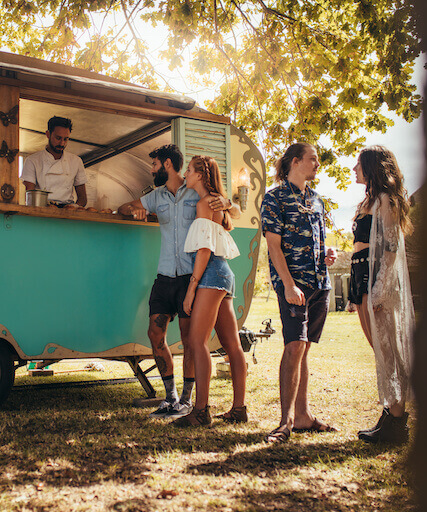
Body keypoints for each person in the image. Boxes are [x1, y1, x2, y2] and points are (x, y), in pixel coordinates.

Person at [118, 145, 238, 419]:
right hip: (164, 276)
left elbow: (224, 204)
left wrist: (231, 203)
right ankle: (170, 397)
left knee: (189, 340)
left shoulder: (195, 191)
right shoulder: (155, 196)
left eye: (155, 164)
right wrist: (132, 211)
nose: (151, 170)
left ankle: (186, 399)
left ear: (167, 164)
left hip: (190, 276)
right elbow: (125, 206)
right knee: (155, 334)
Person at [261, 142, 337, 443]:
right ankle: (285, 422)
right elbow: (273, 245)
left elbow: (318, 239)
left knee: (304, 347)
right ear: (295, 162)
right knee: (293, 346)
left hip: (320, 283)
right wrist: (289, 284)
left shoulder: (317, 200)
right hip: (294, 284)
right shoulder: (274, 197)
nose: (317, 164)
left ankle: (304, 416)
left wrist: (327, 254)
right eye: (312, 159)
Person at [171, 156, 247, 427]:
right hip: (224, 274)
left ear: (201, 175)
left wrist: (192, 288)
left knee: (196, 340)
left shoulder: (206, 203)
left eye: (189, 171)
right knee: (232, 345)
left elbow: (204, 249)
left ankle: (201, 411)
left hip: (210, 274)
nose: (185, 174)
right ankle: (239, 409)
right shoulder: (216, 202)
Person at [348, 145, 414, 444]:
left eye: (358, 165)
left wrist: (380, 289)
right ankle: (390, 413)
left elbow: (390, 249)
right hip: (361, 274)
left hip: (377, 278)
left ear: (372, 167)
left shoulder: (387, 200)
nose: (353, 170)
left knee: (388, 349)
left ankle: (397, 422)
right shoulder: (369, 201)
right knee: (379, 350)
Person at [22, 116, 87, 206]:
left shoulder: (76, 161)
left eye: (66, 139)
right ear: (48, 134)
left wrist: (73, 209)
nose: (62, 143)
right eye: (58, 138)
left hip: (67, 211)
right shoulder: (32, 161)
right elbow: (30, 197)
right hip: (42, 210)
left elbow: (83, 199)